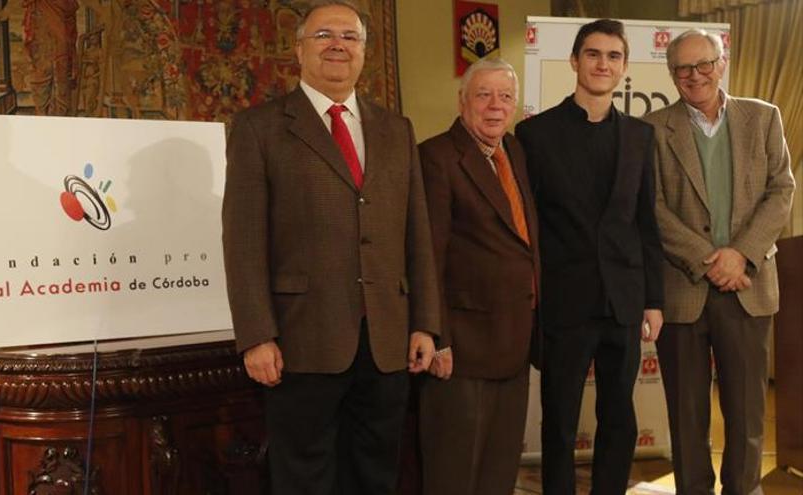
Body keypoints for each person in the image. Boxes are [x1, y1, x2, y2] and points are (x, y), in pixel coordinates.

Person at [221, 1, 440, 494]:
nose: (338, 44)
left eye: (350, 36)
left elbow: (417, 234)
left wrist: (425, 322)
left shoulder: (396, 130)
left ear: (364, 51)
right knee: (305, 478)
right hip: (301, 341)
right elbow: (243, 241)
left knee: (377, 474)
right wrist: (256, 334)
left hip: (386, 339)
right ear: (298, 49)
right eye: (323, 35)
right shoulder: (259, 128)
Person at [514, 19, 665, 495]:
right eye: (594, 54)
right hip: (564, 300)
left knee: (619, 416)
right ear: (575, 61)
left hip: (623, 300)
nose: (603, 64)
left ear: (624, 67)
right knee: (558, 419)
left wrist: (653, 300)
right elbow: (529, 226)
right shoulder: (534, 134)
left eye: (614, 56)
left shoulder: (641, 136)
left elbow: (646, 223)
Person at [642, 29, 795, 495]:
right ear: (672, 75)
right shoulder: (650, 129)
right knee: (687, 418)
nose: (695, 76)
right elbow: (652, 207)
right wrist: (709, 260)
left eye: (704, 64)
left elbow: (781, 191)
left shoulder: (763, 117)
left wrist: (741, 255)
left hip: (748, 287)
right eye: (684, 69)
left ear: (721, 62)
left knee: (748, 414)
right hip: (684, 291)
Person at [416, 58, 539, 495]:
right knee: (455, 473)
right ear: (462, 101)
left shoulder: (515, 152)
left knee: (498, 470)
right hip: (462, 348)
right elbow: (427, 254)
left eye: (505, 96)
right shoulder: (436, 156)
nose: (494, 106)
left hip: (514, 340)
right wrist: (437, 335)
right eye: (483, 95)